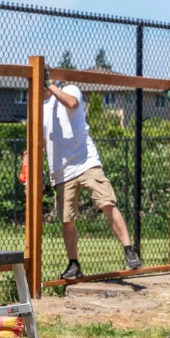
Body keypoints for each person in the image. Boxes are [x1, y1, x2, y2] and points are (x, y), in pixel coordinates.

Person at [41, 72, 142, 280]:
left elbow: (72, 103)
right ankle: (74, 264)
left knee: (106, 201)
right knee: (67, 219)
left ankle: (129, 250)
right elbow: (41, 141)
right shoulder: (37, 107)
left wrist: (50, 86)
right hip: (62, 170)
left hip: (85, 161)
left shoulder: (69, 90)